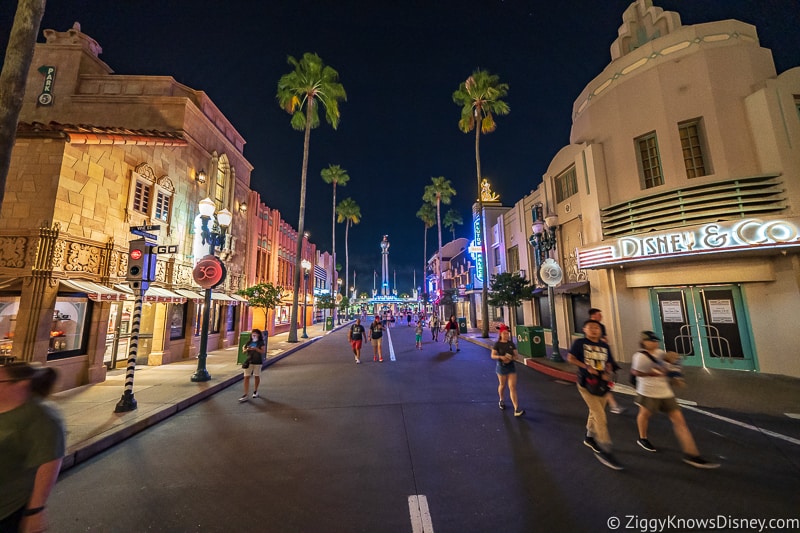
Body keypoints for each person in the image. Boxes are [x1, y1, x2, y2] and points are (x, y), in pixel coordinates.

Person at [632, 331, 720, 469]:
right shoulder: (639, 357)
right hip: (648, 392)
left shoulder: (661, 353)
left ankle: (692, 454)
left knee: (680, 422)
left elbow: (671, 367)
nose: (655, 343)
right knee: (645, 414)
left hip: (665, 392)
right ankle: (642, 438)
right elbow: (636, 373)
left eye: (656, 340)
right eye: (651, 340)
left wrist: (674, 371)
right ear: (643, 342)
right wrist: (655, 373)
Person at [0, 362, 65, 533]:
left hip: (9, 510)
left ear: (22, 384)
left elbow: (49, 461)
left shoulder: (42, 417)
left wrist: (35, 510)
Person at [567, 319, 623, 470]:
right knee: (600, 416)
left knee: (595, 411)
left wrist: (608, 371)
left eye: (597, 327)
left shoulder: (604, 345)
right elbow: (570, 358)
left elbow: (609, 362)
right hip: (586, 384)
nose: (594, 329)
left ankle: (589, 437)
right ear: (584, 329)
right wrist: (586, 367)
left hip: (601, 385)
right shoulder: (579, 343)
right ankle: (606, 450)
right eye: (590, 327)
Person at [589, 308, 625, 415]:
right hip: (594, 359)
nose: (601, 317)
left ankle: (609, 404)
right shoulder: (588, 326)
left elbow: (605, 340)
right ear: (593, 316)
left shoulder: (602, 326)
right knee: (601, 382)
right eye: (599, 315)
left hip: (602, 357)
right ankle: (611, 405)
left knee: (603, 383)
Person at [491, 324, 525, 417]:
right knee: (502, 385)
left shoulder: (511, 344)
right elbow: (493, 355)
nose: (506, 335)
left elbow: (516, 355)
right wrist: (501, 357)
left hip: (510, 366)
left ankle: (516, 408)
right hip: (501, 366)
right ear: (501, 334)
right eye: (504, 333)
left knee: (512, 387)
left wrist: (512, 358)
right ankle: (501, 399)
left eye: (507, 333)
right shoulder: (497, 344)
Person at [240, 329, 266, 402]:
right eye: (252, 334)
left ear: (258, 335)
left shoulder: (261, 343)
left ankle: (255, 391)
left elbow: (262, 351)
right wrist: (247, 349)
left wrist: (256, 349)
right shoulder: (248, 342)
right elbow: (243, 351)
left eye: (255, 334)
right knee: (246, 377)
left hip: (257, 361)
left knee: (256, 376)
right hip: (249, 361)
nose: (253, 335)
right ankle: (245, 394)